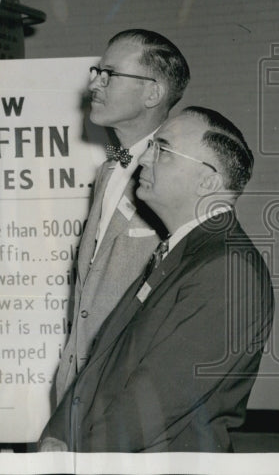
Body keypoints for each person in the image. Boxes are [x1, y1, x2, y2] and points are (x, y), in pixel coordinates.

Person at [40, 107, 274, 452]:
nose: (144, 159)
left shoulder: (228, 268)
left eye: (162, 149)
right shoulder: (180, 254)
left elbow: (153, 404)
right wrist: (56, 436)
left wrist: (74, 460)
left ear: (207, 181)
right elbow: (102, 361)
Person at [53, 30, 190, 404]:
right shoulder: (110, 171)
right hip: (78, 394)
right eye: (97, 71)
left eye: (110, 74)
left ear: (152, 93)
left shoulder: (183, 176)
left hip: (131, 398)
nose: (94, 82)